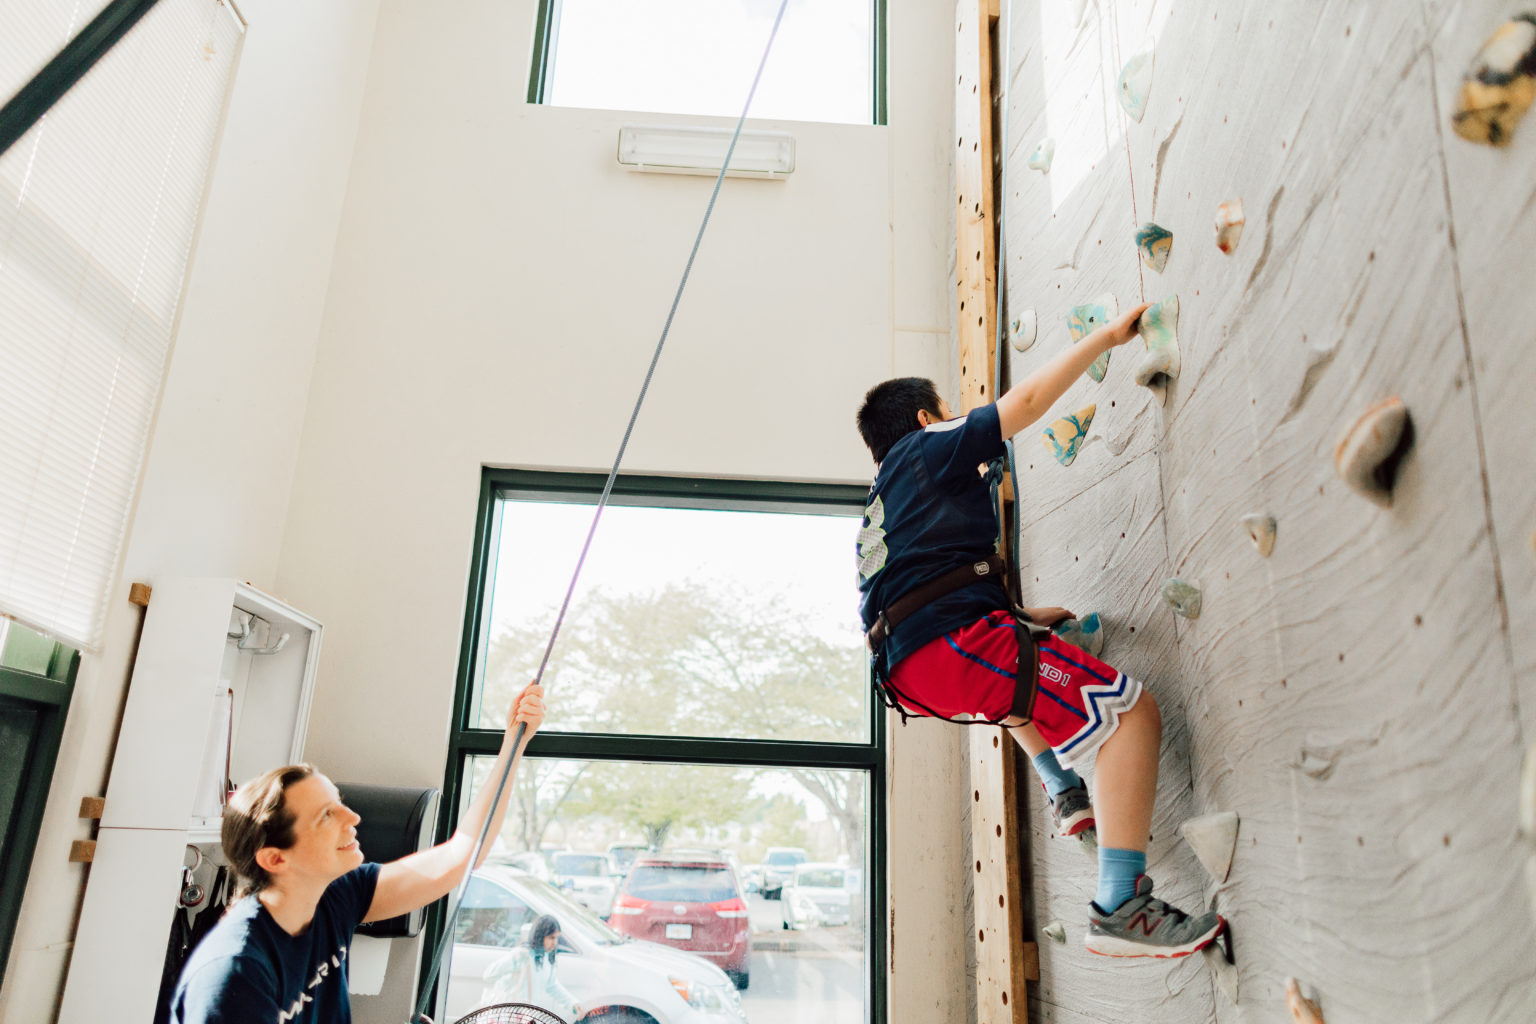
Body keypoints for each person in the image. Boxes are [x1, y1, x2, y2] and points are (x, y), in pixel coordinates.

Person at [854, 304, 1227, 958]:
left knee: (1020, 680)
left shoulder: (882, 503)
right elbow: (1022, 403)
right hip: (948, 649)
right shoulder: (929, 449)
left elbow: (923, 585)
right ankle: (1120, 904)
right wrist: (1105, 338)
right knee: (1132, 715)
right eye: (947, 410)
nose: (955, 419)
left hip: (914, 672)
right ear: (923, 419)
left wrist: (1020, 622)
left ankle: (1065, 791)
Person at [169, 682, 546, 1022]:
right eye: (325, 815)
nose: (353, 817)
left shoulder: (335, 896)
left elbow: (461, 857)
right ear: (276, 858)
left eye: (340, 802)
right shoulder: (234, 973)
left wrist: (514, 744)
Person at [481, 914, 582, 1020]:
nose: (555, 942)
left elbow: (552, 985)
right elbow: (488, 974)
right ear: (540, 935)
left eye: (557, 938)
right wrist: (515, 960)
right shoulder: (522, 954)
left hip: (525, 1017)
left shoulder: (546, 958)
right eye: (551, 937)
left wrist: (573, 1003)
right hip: (508, 1016)